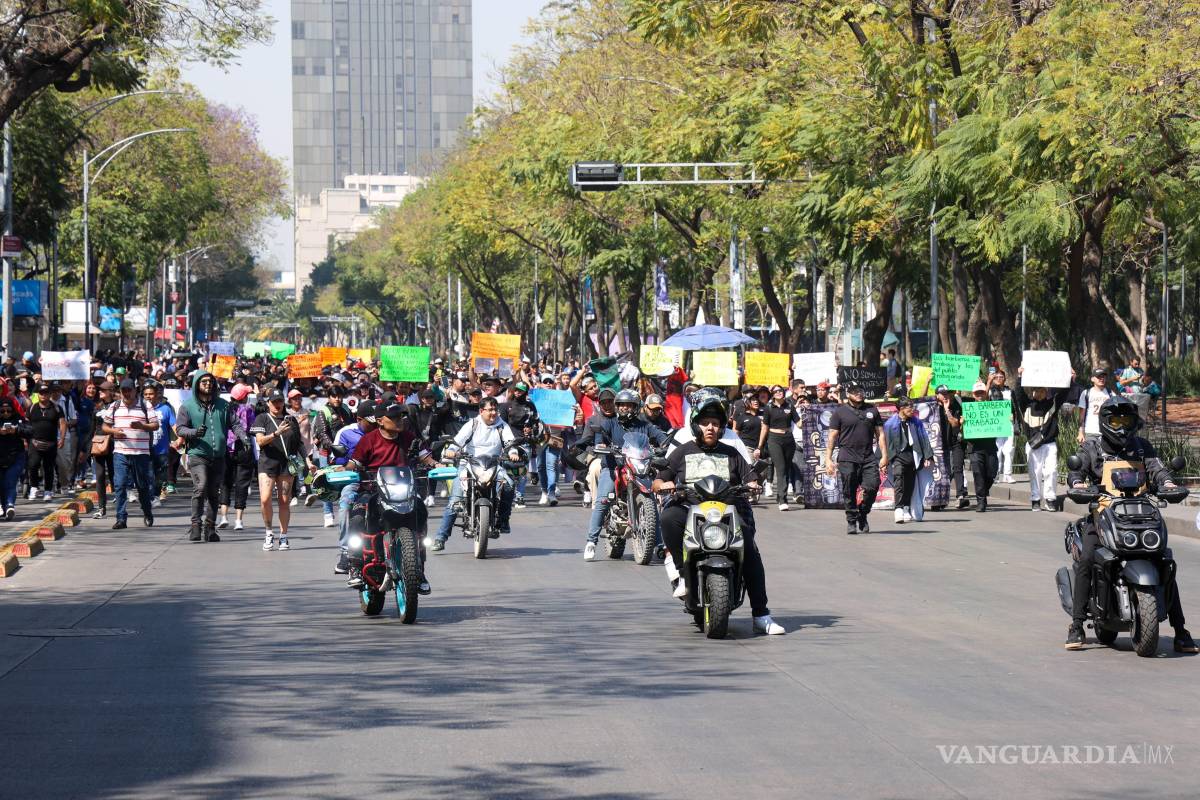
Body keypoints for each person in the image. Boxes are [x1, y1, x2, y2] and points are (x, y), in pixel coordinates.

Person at [1064, 396, 1197, 653]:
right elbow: (1076, 472)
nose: (1121, 426)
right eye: (1116, 420)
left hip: (1141, 515)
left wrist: (1168, 483)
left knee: (1164, 561)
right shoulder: (1092, 447)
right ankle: (1077, 625)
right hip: (1103, 514)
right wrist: (1078, 483)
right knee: (1088, 557)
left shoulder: (1142, 447)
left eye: (1126, 420)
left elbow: (1158, 470)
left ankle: (1180, 630)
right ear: (1105, 422)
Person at [652, 390, 784, 635]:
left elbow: (750, 476)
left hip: (728, 510)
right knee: (668, 517)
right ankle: (683, 573)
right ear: (696, 425)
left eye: (715, 423)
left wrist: (753, 483)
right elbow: (660, 478)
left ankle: (761, 614)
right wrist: (662, 484)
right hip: (689, 508)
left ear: (722, 427)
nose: (710, 428)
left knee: (750, 551)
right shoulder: (683, 450)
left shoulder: (732, 452)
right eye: (705, 423)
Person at [341, 402, 431, 593]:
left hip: (404, 490)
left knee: (421, 511)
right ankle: (355, 566)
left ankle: (419, 569)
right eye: (395, 417)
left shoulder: (409, 437)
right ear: (380, 421)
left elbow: (426, 457)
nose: (400, 420)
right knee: (357, 517)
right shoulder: (368, 440)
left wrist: (438, 464)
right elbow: (354, 463)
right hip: (372, 490)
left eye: (401, 417)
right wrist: (343, 471)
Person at [583, 388, 668, 561]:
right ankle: (591, 542)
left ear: (636, 407)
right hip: (613, 467)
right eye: (621, 405)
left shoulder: (644, 424)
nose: (624, 408)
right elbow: (600, 439)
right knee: (602, 501)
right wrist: (601, 446)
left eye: (628, 405)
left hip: (638, 467)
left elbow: (660, 436)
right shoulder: (610, 423)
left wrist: (665, 443)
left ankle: (659, 544)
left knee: (651, 501)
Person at [431, 396, 520, 550]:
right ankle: (440, 538)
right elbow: (457, 441)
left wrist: (513, 452)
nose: (493, 413)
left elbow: (510, 443)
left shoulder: (502, 425)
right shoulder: (472, 424)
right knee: (455, 501)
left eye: (495, 410)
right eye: (490, 410)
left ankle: (503, 520)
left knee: (509, 485)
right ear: (481, 411)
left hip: (493, 465)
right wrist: (451, 450)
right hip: (469, 465)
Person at [175, 371, 249, 543]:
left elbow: (235, 424)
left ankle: (210, 528)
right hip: (197, 454)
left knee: (214, 493)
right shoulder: (187, 406)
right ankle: (195, 525)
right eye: (204, 382)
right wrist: (194, 432)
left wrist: (243, 437)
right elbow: (180, 429)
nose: (208, 384)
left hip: (219, 456)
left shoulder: (223, 405)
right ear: (196, 384)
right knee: (201, 487)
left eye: (210, 381)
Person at [824, 383, 886, 534]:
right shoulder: (840, 412)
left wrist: (885, 456)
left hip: (868, 457)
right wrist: (828, 459)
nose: (858, 393)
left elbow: (880, 434)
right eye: (854, 391)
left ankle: (863, 513)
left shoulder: (872, 410)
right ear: (848, 394)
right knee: (849, 491)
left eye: (861, 391)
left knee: (873, 486)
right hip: (847, 457)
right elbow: (832, 436)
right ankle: (851, 520)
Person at [101, 378, 160, 529]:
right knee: (120, 485)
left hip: (141, 453)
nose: (126, 393)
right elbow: (105, 426)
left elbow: (155, 425)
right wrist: (114, 431)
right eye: (123, 391)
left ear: (135, 391)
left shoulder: (145, 405)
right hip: (120, 452)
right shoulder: (114, 406)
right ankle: (121, 518)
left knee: (142, 486)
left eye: (129, 390)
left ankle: (147, 512)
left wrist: (142, 426)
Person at [250, 390, 304, 551]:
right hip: (267, 463)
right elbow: (260, 441)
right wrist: (276, 433)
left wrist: (308, 461)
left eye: (279, 401)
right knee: (265, 498)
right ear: (268, 403)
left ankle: (283, 536)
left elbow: (299, 443)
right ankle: (268, 532)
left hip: (286, 464)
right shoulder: (262, 418)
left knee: (284, 500)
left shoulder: (291, 419)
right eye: (274, 402)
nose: (277, 405)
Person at [1014, 366, 1072, 512]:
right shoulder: (1026, 405)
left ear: (1046, 392)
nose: (1039, 393)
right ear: (1033, 392)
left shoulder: (1052, 403)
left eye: (1042, 390)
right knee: (1035, 472)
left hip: (1049, 444)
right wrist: (1019, 377)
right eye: (1037, 390)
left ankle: (1050, 499)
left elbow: (1063, 393)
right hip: (1033, 444)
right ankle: (1035, 499)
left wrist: (1070, 378)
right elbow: (1019, 393)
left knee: (1051, 471)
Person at [884, 396, 933, 524]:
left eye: (913, 407)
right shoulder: (890, 424)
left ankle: (906, 507)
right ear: (901, 408)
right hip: (897, 456)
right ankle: (898, 509)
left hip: (913, 456)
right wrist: (886, 459)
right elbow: (886, 443)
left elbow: (923, 438)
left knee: (910, 483)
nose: (912, 410)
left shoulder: (916, 422)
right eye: (909, 407)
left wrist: (927, 456)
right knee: (899, 479)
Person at [218, 383, 257, 531]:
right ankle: (239, 520)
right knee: (242, 484)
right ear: (244, 397)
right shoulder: (248, 410)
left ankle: (223, 517)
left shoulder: (224, 409)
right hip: (244, 447)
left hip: (227, 448)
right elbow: (251, 428)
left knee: (225, 482)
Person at [962, 381, 999, 512]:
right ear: (973, 394)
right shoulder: (968, 408)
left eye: (982, 393)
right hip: (975, 447)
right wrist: (962, 422)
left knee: (992, 472)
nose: (980, 395)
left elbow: (1001, 420)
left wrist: (1008, 419)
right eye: (977, 393)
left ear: (985, 393)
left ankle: (983, 491)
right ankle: (981, 501)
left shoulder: (993, 407)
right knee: (978, 474)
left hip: (990, 446)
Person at [26, 384, 66, 501]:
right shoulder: (32, 408)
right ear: (38, 394)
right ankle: (34, 487)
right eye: (41, 393)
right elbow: (26, 424)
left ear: (49, 394)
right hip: (34, 442)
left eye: (46, 393)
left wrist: (62, 438)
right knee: (33, 465)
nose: (43, 395)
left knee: (49, 467)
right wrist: (24, 439)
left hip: (51, 443)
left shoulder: (57, 408)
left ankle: (48, 491)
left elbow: (62, 423)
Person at [762, 385, 798, 511]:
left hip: (788, 439)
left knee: (786, 468)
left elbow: (799, 423)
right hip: (774, 439)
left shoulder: (790, 406)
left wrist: (808, 412)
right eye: (776, 391)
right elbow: (764, 427)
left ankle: (780, 494)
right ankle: (783, 500)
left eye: (780, 390)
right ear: (772, 394)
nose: (779, 392)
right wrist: (759, 446)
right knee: (781, 468)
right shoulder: (768, 408)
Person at [935, 385, 969, 509]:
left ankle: (960, 496)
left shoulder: (955, 406)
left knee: (958, 467)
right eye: (942, 394)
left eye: (947, 393)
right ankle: (940, 497)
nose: (945, 396)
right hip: (940, 443)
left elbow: (955, 424)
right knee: (943, 470)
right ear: (937, 395)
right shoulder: (933, 408)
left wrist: (947, 410)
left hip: (955, 441)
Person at [143, 381, 175, 508]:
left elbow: (174, 425)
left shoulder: (166, 409)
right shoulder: (140, 409)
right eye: (146, 394)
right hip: (145, 449)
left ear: (157, 395)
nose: (148, 396)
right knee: (149, 475)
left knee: (160, 476)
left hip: (162, 450)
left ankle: (155, 496)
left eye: (151, 394)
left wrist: (180, 438)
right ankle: (150, 497)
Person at [0, 396, 31, 519]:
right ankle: (3, 506)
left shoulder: (19, 419)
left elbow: (30, 431)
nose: (6, 413)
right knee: (1, 483)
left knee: (10, 480)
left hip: (16, 456)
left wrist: (16, 430)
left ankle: (10, 505)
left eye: (8, 410)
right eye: (2, 411)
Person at [90, 381, 116, 519]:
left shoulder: (118, 406)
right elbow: (92, 428)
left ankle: (120, 504)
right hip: (99, 444)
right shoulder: (97, 407)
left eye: (103, 390)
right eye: (99, 389)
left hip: (114, 444)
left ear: (111, 391)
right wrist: (88, 447)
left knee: (114, 475)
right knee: (99, 476)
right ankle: (101, 507)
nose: (100, 391)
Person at [990, 370, 1015, 484]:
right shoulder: (990, 391)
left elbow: (1014, 406)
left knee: (1009, 450)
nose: (999, 379)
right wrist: (988, 382)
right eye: (997, 377)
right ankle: (995, 475)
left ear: (1005, 378)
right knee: (997, 450)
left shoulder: (1009, 391)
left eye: (1001, 377)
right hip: (996, 423)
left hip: (1008, 422)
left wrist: (1013, 415)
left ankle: (1007, 475)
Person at [1076, 368, 1113, 444]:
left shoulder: (1111, 393)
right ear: (1092, 379)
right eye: (1099, 377)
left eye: (1103, 377)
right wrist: (1080, 432)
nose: (1102, 379)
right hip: (1091, 432)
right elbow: (1081, 417)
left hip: (1107, 433)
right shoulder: (1086, 393)